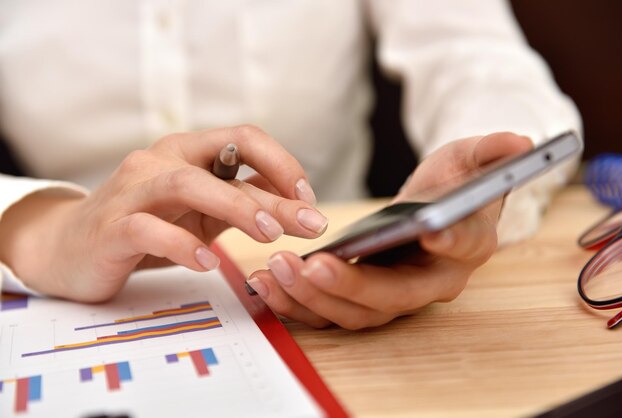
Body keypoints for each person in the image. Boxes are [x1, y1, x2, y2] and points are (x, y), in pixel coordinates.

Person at [0, 1, 581, 329]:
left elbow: (479, 59)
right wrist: (41, 231)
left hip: (321, 297)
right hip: (54, 303)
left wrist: (470, 189)